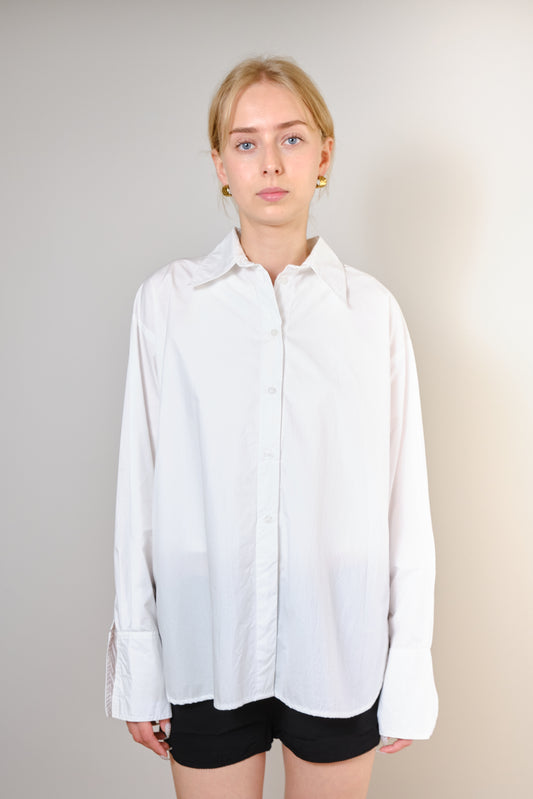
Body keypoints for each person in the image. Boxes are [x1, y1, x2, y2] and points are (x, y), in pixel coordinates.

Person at [104, 56, 438, 799]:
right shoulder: (168, 305)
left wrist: (409, 663)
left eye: (291, 137)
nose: (270, 162)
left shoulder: (371, 313)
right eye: (246, 142)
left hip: (338, 642)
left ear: (324, 154)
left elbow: (403, 503)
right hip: (206, 638)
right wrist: (139, 661)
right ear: (220, 165)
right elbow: (139, 492)